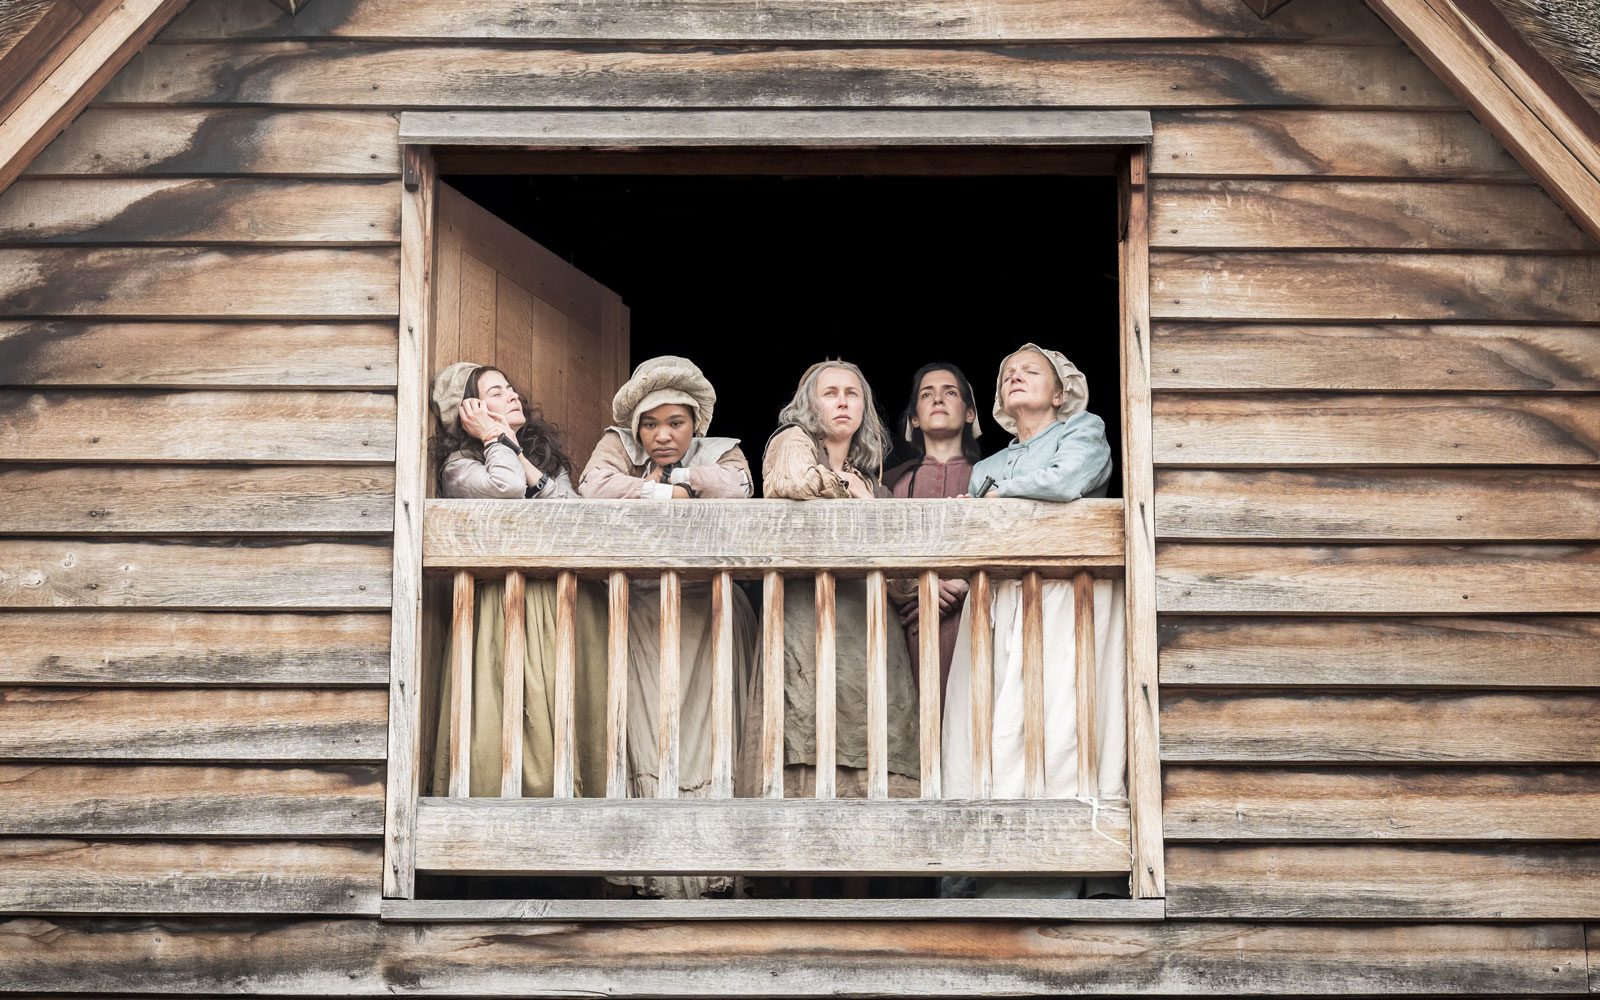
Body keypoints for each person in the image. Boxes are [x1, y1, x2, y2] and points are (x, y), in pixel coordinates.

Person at [941, 343, 1128, 899]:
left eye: (1031, 372)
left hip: (1065, 599)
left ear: (1060, 391)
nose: (1016, 377)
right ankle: (987, 864)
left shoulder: (1083, 430)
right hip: (999, 601)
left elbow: (1067, 480)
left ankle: (1066, 865)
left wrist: (996, 497)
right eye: (1007, 375)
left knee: (1061, 717)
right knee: (989, 719)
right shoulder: (987, 465)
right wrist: (991, 496)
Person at [578, 356, 760, 899]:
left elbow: (736, 489)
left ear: (694, 422)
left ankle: (713, 874)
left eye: (675, 423)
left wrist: (680, 478)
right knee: (645, 732)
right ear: (635, 425)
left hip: (710, 612)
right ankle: (650, 873)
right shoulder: (615, 446)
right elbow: (594, 488)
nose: (662, 435)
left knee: (711, 736)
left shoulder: (721, 449)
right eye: (651, 424)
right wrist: (666, 495)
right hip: (641, 612)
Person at [427, 361, 608, 801]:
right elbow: (505, 489)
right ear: (468, 410)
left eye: (510, 388)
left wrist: (525, 460)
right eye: (495, 392)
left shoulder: (539, 456)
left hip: (567, 604)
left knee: (574, 718)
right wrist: (494, 439)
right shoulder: (459, 467)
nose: (513, 396)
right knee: (508, 725)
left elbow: (576, 516)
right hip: (504, 608)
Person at [741, 361, 921, 801]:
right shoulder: (792, 441)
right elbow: (791, 482)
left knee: (869, 769)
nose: (842, 400)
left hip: (870, 640)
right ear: (809, 403)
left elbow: (904, 583)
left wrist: (871, 505)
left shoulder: (875, 489)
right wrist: (854, 498)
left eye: (852, 393)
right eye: (830, 392)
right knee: (805, 756)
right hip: (807, 628)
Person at [884, 362, 984, 695]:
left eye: (950, 392)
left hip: (976, 619)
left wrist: (963, 583)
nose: (938, 399)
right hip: (906, 626)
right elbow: (879, 553)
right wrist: (918, 587)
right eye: (927, 394)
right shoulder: (892, 483)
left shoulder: (992, 477)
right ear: (915, 417)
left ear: (969, 413)